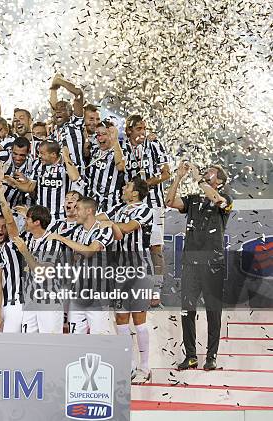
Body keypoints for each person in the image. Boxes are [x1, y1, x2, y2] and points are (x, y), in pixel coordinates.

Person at [166, 162, 233, 371]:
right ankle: (191, 356)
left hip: (212, 262)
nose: (206, 171)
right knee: (187, 310)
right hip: (190, 262)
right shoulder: (194, 200)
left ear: (220, 180)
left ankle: (211, 356)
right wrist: (177, 178)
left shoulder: (226, 199)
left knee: (213, 310)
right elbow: (169, 201)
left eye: (211, 171)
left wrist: (198, 179)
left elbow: (217, 199)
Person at [104, 177, 155, 384]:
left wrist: (107, 222)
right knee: (121, 319)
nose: (123, 188)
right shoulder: (118, 207)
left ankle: (145, 366)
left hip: (138, 268)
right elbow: (97, 219)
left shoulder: (145, 210)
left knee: (138, 319)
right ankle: (130, 365)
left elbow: (126, 229)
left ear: (135, 193)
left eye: (127, 186)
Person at [48, 197, 114, 335]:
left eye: (78, 208)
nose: (74, 211)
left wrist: (62, 239)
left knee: (100, 339)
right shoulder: (77, 231)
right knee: (75, 339)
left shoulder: (104, 229)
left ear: (89, 211)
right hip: (77, 293)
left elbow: (90, 251)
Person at [123, 115, 171, 299]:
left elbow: (166, 173)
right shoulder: (122, 148)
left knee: (155, 247)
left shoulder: (155, 144)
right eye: (138, 129)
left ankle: (156, 290)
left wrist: (144, 184)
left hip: (154, 205)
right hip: (131, 206)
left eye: (144, 128)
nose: (142, 133)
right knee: (131, 248)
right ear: (129, 131)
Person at [8, 205, 66, 334]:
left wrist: (24, 251)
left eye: (27, 219)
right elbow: (11, 230)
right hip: (30, 299)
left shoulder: (52, 242)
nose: (25, 221)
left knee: (51, 344)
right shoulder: (28, 237)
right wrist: (1, 198)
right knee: (29, 343)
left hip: (49, 301)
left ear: (37, 222)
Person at [4, 142, 82, 222]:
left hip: (61, 216)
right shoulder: (38, 164)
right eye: (39, 153)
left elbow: (75, 177)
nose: (39, 156)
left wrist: (66, 156)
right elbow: (30, 187)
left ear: (53, 154)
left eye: (42, 153)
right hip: (41, 216)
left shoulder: (67, 165)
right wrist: (14, 183)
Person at [0, 183, 26, 333]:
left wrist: (1, 197)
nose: (1, 229)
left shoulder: (13, 245)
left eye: (3, 226)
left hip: (14, 305)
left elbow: (11, 221)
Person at [48, 74, 88, 174]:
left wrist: (60, 81)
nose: (58, 111)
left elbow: (79, 94)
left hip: (77, 176)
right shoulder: (53, 133)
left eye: (62, 109)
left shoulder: (75, 124)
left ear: (70, 113)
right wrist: (53, 89)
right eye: (57, 110)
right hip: (60, 179)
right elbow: (53, 107)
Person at [85, 121, 126, 214]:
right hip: (92, 203)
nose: (100, 138)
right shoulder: (94, 150)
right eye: (98, 135)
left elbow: (120, 166)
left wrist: (115, 139)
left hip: (111, 204)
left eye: (104, 134)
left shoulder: (121, 150)